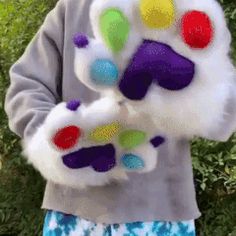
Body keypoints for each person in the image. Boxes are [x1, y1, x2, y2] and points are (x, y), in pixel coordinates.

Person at [4, 0, 236, 235]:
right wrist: (54, 138)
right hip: (80, 210)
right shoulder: (72, 7)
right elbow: (27, 84)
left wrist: (190, 87)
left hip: (157, 211)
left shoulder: (188, 8)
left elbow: (227, 112)